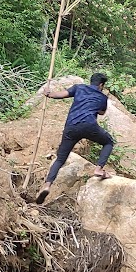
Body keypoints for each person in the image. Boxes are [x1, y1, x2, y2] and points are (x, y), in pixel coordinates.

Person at [34, 72, 114, 204]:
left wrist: (49, 93)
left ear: (91, 81)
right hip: (89, 126)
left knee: (60, 159)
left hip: (71, 126)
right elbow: (101, 112)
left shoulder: (79, 88)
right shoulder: (102, 97)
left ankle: (47, 185)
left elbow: (61, 95)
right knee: (108, 142)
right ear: (101, 85)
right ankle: (99, 168)